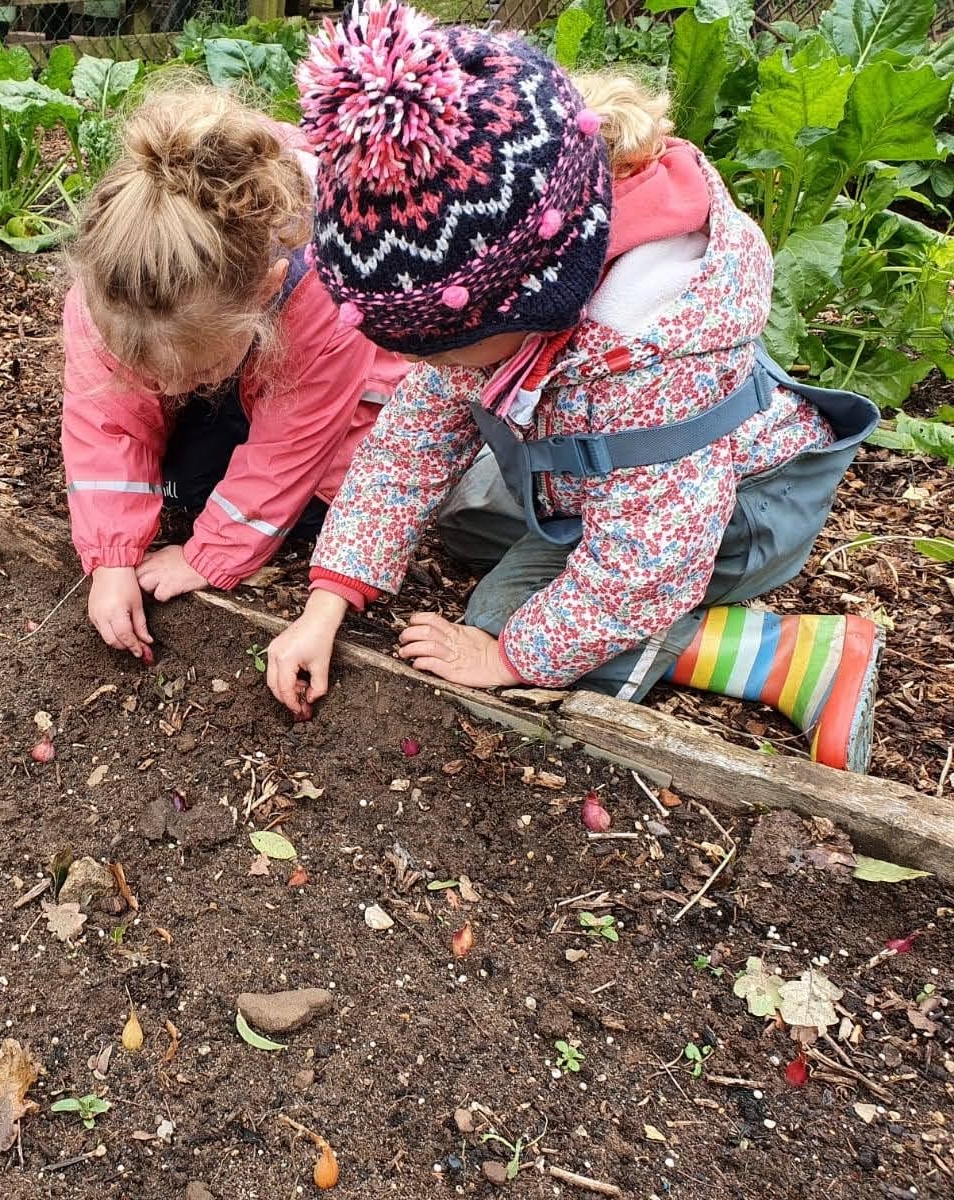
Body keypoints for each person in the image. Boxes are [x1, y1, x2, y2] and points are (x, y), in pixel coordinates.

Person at [265, 1, 881, 771]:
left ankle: (795, 654)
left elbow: (645, 570)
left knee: (503, 621)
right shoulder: (531, 255)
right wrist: (330, 598)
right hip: (609, 482)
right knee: (459, 525)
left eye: (449, 353)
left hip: (742, 511)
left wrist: (513, 657)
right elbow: (412, 444)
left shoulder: (647, 348)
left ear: (532, 299)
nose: (436, 372)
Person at [61, 84, 410, 661]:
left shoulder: (326, 282)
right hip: (245, 359)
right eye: (151, 374)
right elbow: (105, 421)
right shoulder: (118, 280)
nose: (167, 391)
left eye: (191, 371)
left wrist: (208, 555)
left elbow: (296, 439)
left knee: (322, 499)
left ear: (266, 291)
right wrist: (111, 557)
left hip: (344, 379)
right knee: (185, 483)